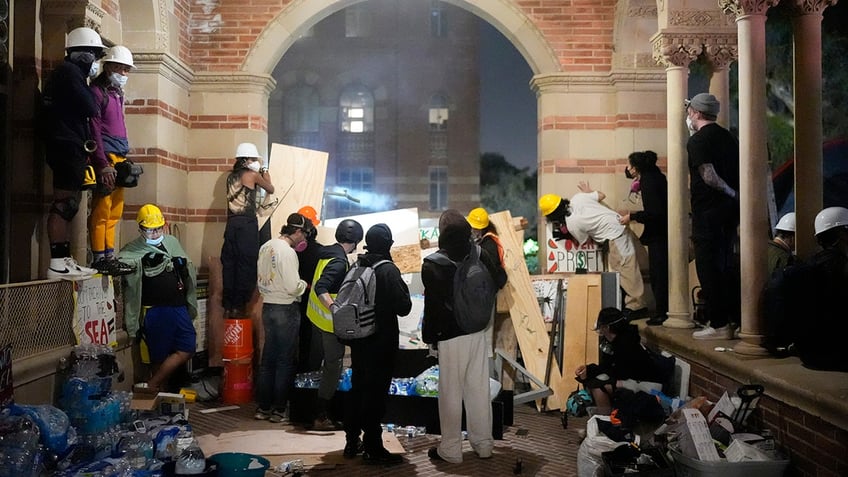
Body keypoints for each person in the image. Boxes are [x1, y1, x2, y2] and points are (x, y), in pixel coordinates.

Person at [422, 209, 501, 464]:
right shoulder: (481, 253)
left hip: (450, 336)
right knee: (478, 388)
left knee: (451, 392)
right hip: (477, 330)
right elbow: (501, 279)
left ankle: (452, 449)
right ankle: (484, 444)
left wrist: (429, 337)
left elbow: (432, 308)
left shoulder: (433, 264)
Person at [342, 224, 412, 465]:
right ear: (388, 244)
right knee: (375, 396)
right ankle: (374, 447)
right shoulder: (388, 270)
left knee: (358, 390)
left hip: (359, 340)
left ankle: (352, 441)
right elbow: (404, 307)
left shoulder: (358, 264)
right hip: (381, 343)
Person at [42, 27, 106, 280]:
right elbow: (91, 107)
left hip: (67, 145)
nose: (95, 62)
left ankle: (62, 258)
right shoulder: (69, 73)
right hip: (66, 146)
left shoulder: (68, 74)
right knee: (64, 204)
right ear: (83, 54)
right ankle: (58, 262)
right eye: (94, 55)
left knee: (68, 204)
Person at [119, 204, 198, 392]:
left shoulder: (171, 242)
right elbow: (123, 262)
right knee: (157, 356)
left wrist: (182, 264)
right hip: (155, 310)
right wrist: (140, 263)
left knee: (188, 346)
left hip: (178, 307)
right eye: (150, 230)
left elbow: (187, 265)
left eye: (158, 229)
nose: (154, 234)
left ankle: (153, 386)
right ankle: (156, 400)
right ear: (140, 229)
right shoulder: (133, 249)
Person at [539, 183, 648, 318]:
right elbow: (601, 195)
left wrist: (566, 234)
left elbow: (585, 241)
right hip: (621, 226)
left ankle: (637, 306)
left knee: (625, 269)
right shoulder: (578, 198)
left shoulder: (573, 223)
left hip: (614, 236)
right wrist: (589, 192)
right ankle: (636, 303)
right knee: (633, 266)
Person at [685, 93, 741, 340]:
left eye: (690, 111)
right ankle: (734, 319)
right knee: (725, 264)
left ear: (696, 112)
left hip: (708, 212)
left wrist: (730, 192)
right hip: (729, 213)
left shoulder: (698, 140)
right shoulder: (729, 137)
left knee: (707, 267)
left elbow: (708, 175)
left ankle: (719, 324)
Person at [305, 218, 363, 430]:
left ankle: (310, 408)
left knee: (318, 365)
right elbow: (322, 287)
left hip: (314, 318)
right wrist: (335, 309)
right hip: (329, 324)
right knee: (332, 367)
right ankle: (321, 416)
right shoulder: (339, 262)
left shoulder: (326, 252)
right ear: (355, 240)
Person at [254, 213, 311, 423]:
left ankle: (263, 408)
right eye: (303, 234)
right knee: (284, 361)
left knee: (268, 360)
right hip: (286, 308)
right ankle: (279, 410)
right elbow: (291, 285)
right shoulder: (287, 252)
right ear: (297, 232)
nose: (303, 239)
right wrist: (303, 285)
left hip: (268, 306)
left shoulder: (266, 246)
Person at [88, 45, 137, 276]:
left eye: (127, 70)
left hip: (119, 156)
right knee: (102, 209)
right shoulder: (98, 92)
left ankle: (109, 255)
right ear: (108, 66)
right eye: (120, 68)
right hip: (106, 157)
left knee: (115, 210)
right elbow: (94, 129)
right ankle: (99, 257)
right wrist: (102, 164)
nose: (124, 74)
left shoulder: (117, 94)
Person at [575, 308, 668, 410]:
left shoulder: (626, 343)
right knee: (594, 381)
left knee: (599, 387)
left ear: (607, 327)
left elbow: (622, 372)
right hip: (630, 378)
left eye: (601, 326)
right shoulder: (611, 341)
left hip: (646, 382)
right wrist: (588, 369)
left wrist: (603, 379)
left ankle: (606, 419)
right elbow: (606, 366)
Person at [221, 142, 274, 317]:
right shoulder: (252, 175)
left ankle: (228, 304)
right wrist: (264, 170)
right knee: (247, 263)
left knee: (230, 263)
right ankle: (240, 305)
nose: (255, 161)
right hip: (246, 224)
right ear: (246, 160)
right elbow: (270, 188)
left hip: (231, 223)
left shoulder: (230, 177)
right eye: (253, 159)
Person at [619, 151, 669, 326]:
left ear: (636, 168)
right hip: (661, 233)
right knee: (659, 274)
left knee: (658, 275)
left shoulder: (649, 181)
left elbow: (654, 212)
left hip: (659, 235)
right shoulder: (656, 177)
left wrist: (632, 216)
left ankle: (662, 312)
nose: (627, 169)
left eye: (629, 165)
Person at [795, 207, 848, 371]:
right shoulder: (840, 266)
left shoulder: (810, 264)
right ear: (841, 234)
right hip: (833, 355)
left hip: (809, 354)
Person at [295, 205, 323, 374]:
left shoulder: (291, 250)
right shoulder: (320, 251)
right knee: (309, 341)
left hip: (294, 299)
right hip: (313, 301)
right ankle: (308, 374)